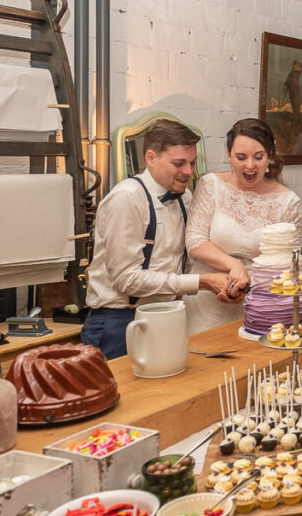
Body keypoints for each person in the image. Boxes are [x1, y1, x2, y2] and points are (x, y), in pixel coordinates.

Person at [82, 119, 229, 360]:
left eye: (192, 163)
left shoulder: (185, 197)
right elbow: (126, 280)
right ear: (150, 158)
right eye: (179, 163)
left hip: (169, 314)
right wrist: (201, 282)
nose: (189, 172)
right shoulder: (126, 199)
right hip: (118, 322)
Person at [184, 118, 302, 334]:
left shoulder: (288, 201)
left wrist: (245, 286)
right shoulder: (211, 185)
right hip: (205, 304)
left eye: (258, 157)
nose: (250, 165)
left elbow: (288, 263)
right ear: (229, 155)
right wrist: (234, 266)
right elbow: (194, 240)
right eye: (241, 157)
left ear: (270, 156)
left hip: (260, 308)